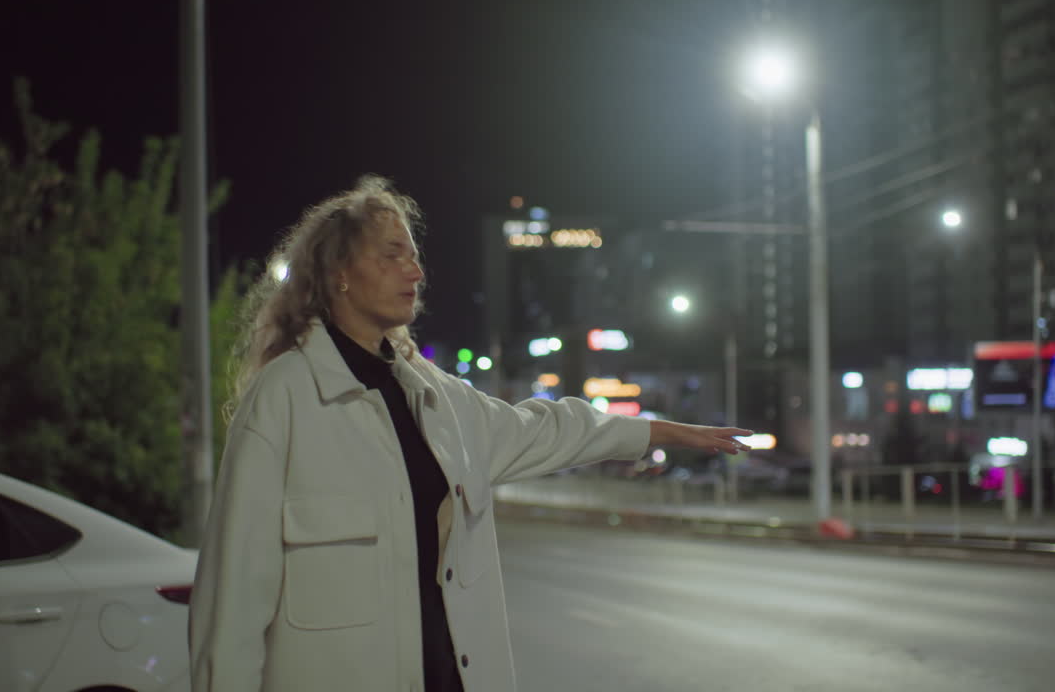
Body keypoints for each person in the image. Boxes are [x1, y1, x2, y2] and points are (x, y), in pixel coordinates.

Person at [189, 175, 752, 692]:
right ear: (340, 271)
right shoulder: (285, 398)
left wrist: (661, 431)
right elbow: (231, 603)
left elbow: (550, 429)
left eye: (414, 256)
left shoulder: (435, 397)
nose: (416, 272)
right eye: (393, 255)